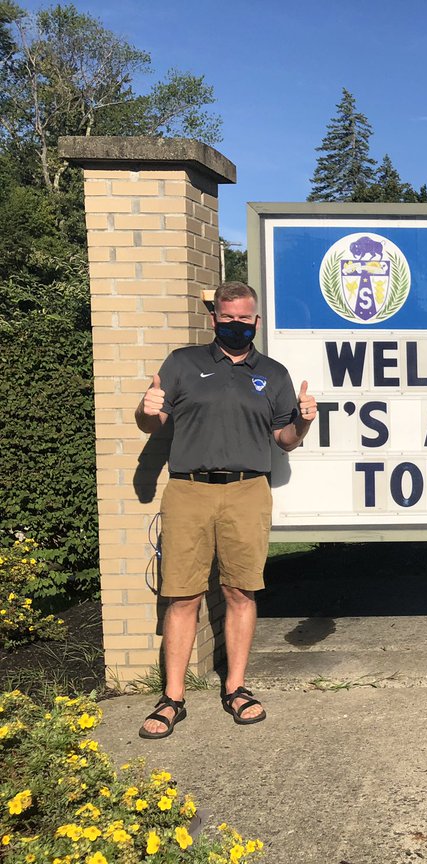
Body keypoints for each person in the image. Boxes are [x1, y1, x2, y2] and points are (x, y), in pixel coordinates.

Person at [134, 281, 316, 739]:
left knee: (241, 591)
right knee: (181, 595)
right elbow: (152, 423)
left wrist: (304, 422)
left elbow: (283, 440)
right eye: (227, 317)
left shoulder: (272, 373)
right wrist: (146, 408)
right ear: (215, 318)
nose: (236, 325)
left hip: (248, 490)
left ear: (256, 321)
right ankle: (172, 697)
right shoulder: (183, 363)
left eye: (244, 319)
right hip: (188, 490)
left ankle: (236, 688)